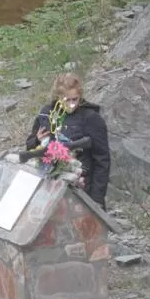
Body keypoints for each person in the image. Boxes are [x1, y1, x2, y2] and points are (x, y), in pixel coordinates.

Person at [26, 73, 111, 210]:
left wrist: (96, 200)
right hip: (49, 186)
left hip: (81, 187)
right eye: (67, 100)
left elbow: (102, 160)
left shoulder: (91, 118)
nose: (71, 104)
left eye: (75, 99)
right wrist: (37, 140)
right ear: (58, 97)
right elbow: (30, 147)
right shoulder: (46, 114)